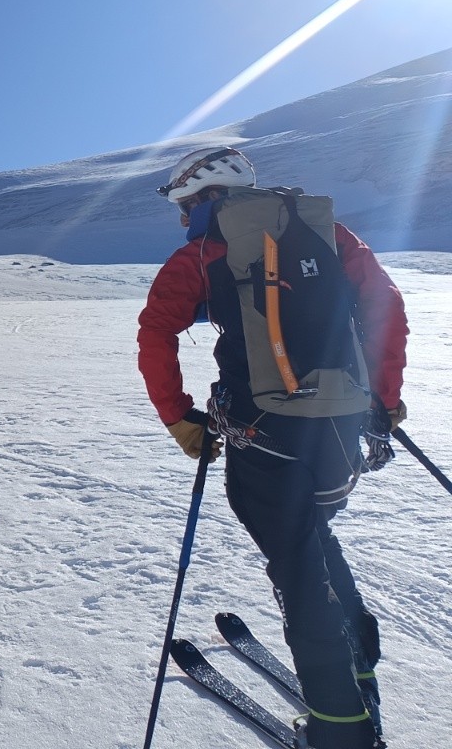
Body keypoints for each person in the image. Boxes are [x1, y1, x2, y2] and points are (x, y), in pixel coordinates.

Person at [137, 146, 408, 749]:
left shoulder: (203, 255)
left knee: (295, 564)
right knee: (314, 533)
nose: (185, 221)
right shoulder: (329, 232)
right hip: (342, 431)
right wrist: (384, 401)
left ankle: (339, 726)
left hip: (264, 438)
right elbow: (386, 306)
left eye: (187, 207)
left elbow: (156, 329)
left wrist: (180, 416)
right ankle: (358, 667)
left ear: (208, 198)